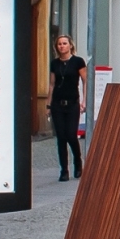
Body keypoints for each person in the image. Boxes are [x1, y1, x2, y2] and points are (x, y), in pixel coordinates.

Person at [48, 34, 85, 181]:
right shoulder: (54, 63)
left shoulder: (78, 62)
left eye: (64, 43)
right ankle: (64, 170)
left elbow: (85, 80)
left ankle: (78, 161)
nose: (62, 46)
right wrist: (48, 104)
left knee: (71, 135)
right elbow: (52, 84)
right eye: (59, 44)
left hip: (72, 104)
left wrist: (84, 101)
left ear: (70, 45)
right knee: (61, 138)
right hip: (57, 104)